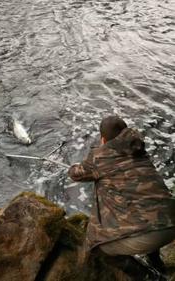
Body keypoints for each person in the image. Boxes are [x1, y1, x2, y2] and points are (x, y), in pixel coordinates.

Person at [68, 115, 175, 281]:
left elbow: (75, 174)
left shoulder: (98, 157)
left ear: (103, 139)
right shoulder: (138, 148)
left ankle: (150, 277)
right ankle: (156, 261)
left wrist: (74, 167)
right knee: (146, 206)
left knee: (97, 249)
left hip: (149, 236)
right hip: (172, 223)